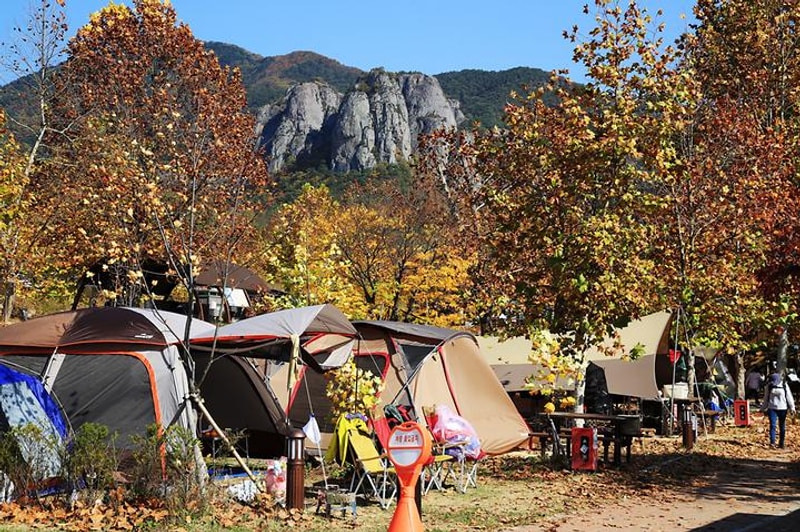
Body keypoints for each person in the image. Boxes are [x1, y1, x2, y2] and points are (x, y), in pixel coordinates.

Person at [760, 372, 796, 448]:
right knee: (773, 425)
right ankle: (772, 442)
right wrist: (762, 409)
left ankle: (781, 443)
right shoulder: (769, 386)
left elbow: (789, 397)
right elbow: (766, 399)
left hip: (783, 408)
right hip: (772, 408)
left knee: (782, 426)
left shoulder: (784, 385)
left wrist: (792, 407)